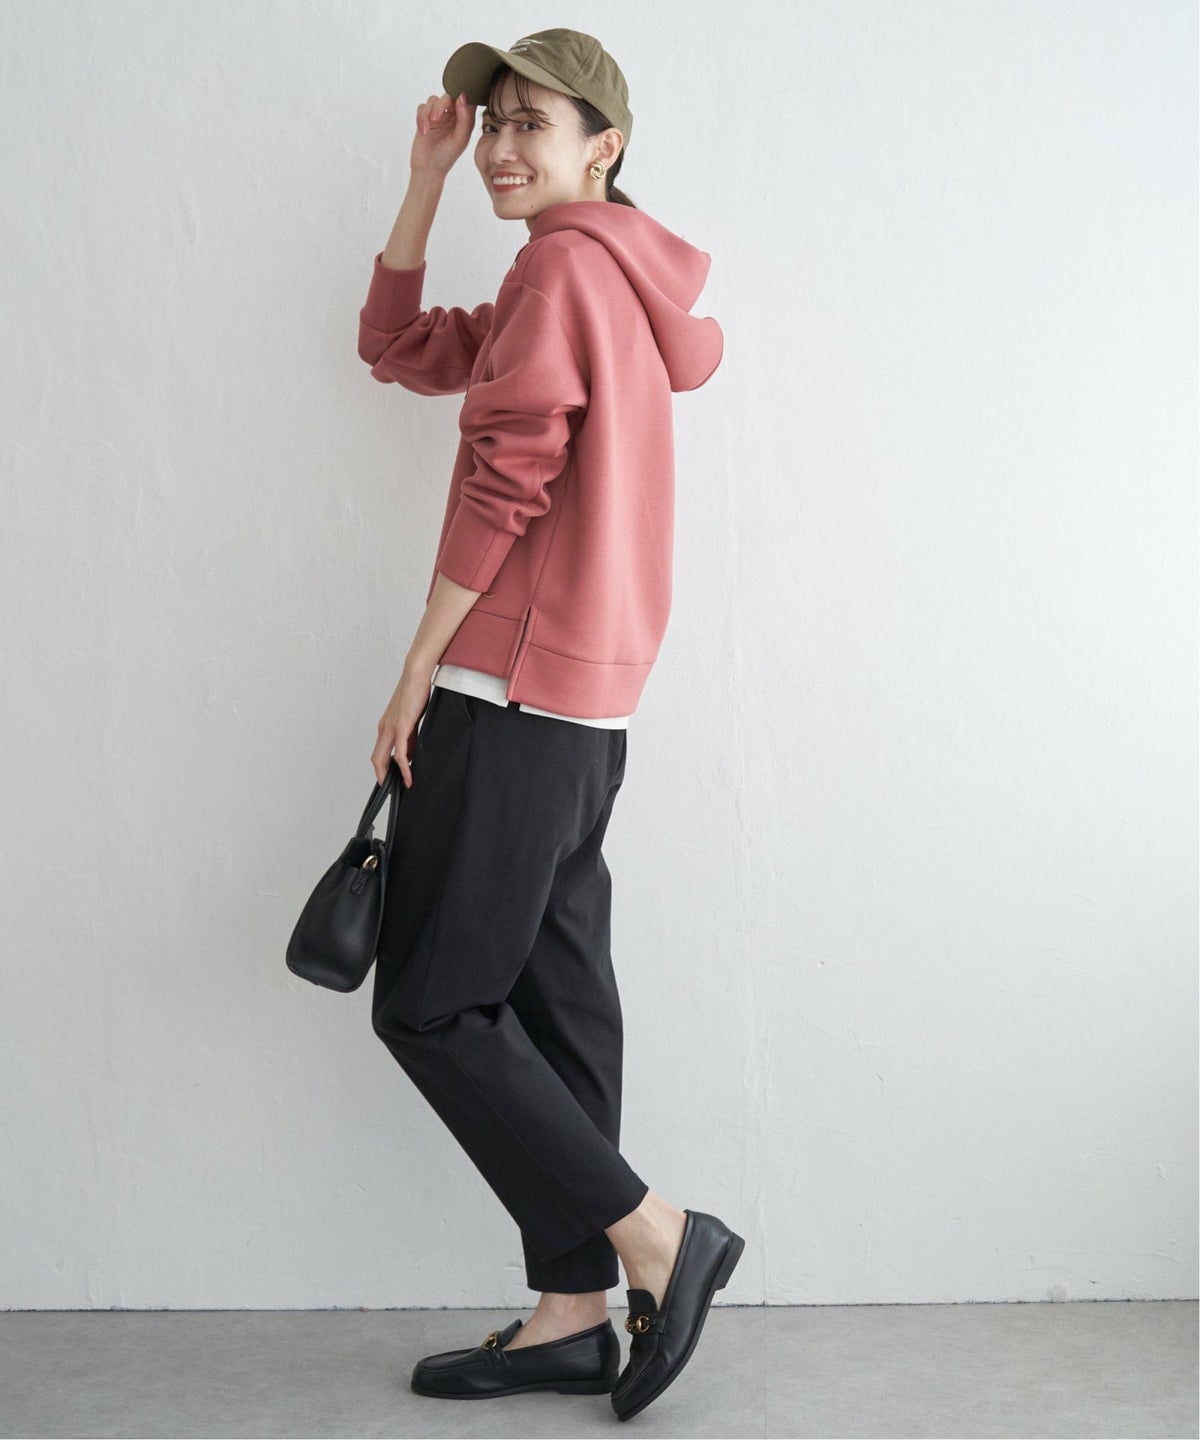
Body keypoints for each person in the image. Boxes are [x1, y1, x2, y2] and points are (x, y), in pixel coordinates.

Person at [357, 28, 743, 1422]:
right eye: (495, 124)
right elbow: (396, 347)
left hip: (508, 687)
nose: (503, 149)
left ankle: (658, 1239)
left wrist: (418, 664)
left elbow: (506, 472)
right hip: (587, 706)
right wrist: (424, 178)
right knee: (558, 1000)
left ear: (605, 146)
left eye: (535, 123)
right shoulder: (605, 281)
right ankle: (575, 1312)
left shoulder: (559, 273)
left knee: (432, 1001)